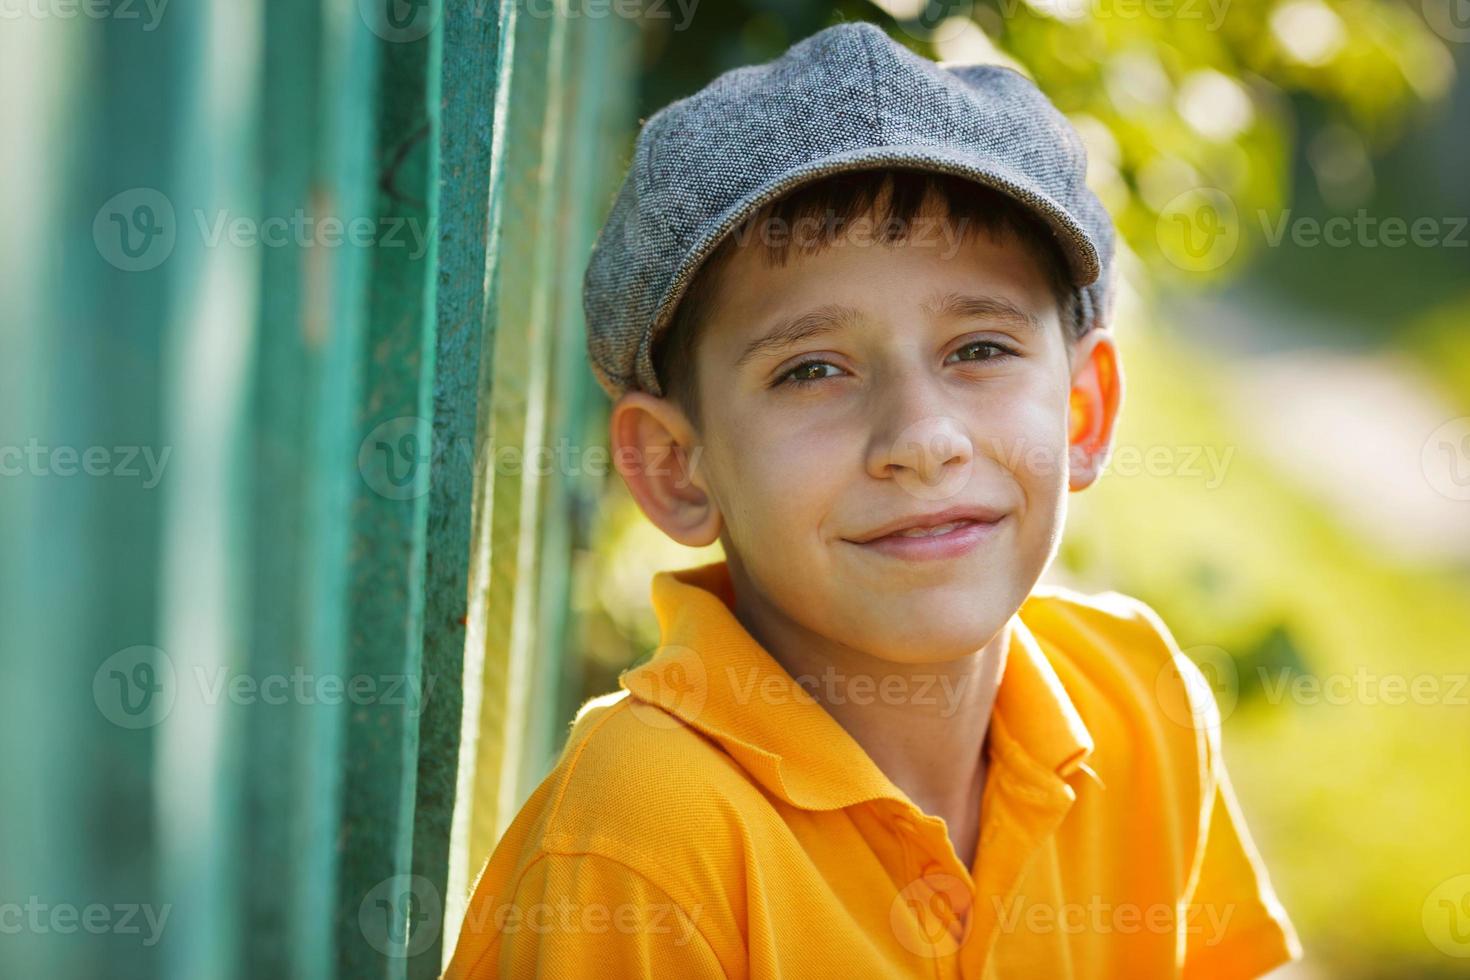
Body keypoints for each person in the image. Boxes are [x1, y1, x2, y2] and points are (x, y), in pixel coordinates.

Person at [444, 20, 1301, 978]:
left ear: (1083, 410)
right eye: (812, 369)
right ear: (677, 466)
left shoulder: (1139, 698)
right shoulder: (642, 847)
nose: (921, 440)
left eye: (979, 349)